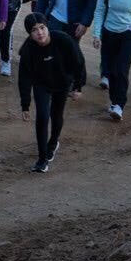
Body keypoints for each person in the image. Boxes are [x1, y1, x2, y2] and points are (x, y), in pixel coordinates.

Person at [17, 14, 85, 172]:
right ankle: (42, 159)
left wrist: (78, 86)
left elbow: (79, 62)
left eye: (42, 27)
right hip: (42, 84)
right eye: (34, 30)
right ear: (29, 33)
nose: (40, 33)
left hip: (62, 82)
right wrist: (25, 105)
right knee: (42, 116)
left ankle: (53, 142)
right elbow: (24, 79)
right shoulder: (28, 50)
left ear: (47, 27)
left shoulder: (63, 40)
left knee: (56, 114)